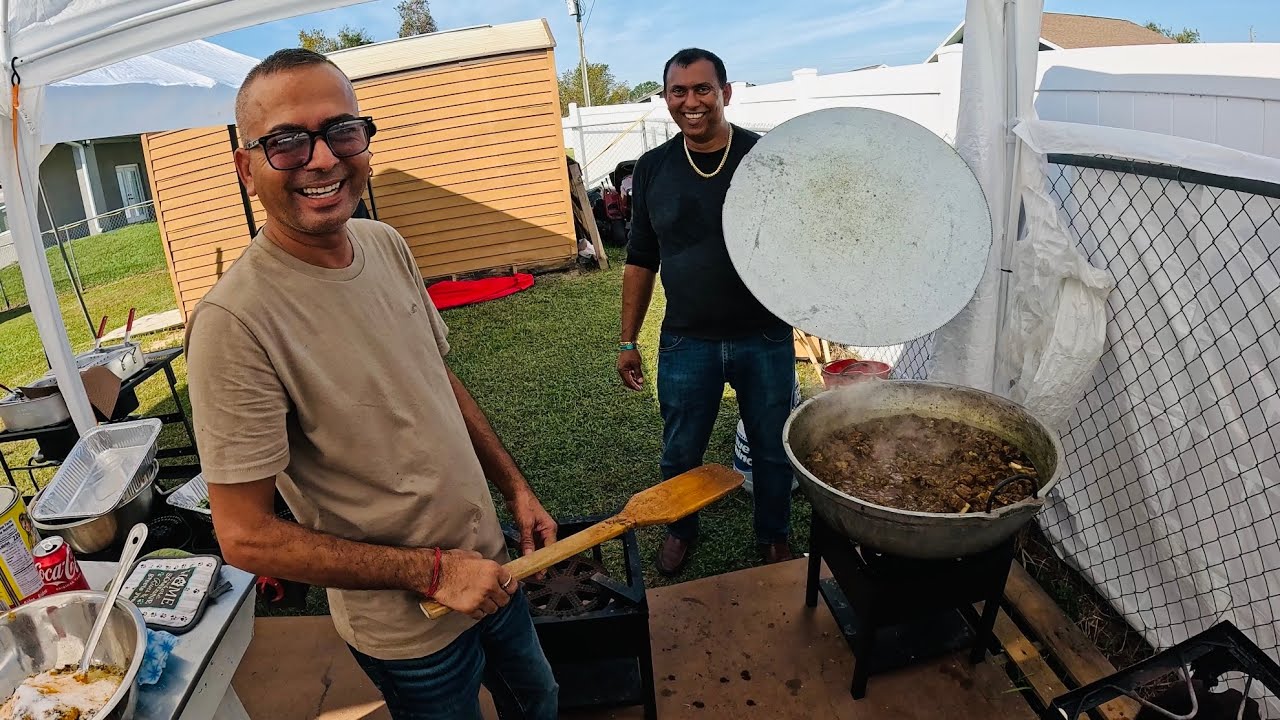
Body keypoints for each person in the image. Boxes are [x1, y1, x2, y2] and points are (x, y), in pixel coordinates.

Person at [185, 48, 559, 720]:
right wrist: (434, 573)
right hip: (410, 628)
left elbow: (435, 376)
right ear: (246, 168)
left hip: (497, 570)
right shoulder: (235, 322)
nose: (323, 159)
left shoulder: (386, 244)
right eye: (286, 143)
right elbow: (245, 536)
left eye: (341, 131)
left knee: (539, 700)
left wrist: (515, 487)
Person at [617, 48, 798, 576]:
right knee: (680, 452)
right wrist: (629, 339)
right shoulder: (652, 169)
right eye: (679, 91)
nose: (691, 102)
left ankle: (773, 536)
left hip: (762, 336)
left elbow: (799, 245)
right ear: (666, 98)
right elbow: (640, 258)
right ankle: (681, 529)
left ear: (726, 92)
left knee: (770, 448)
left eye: (703, 89)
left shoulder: (763, 158)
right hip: (686, 340)